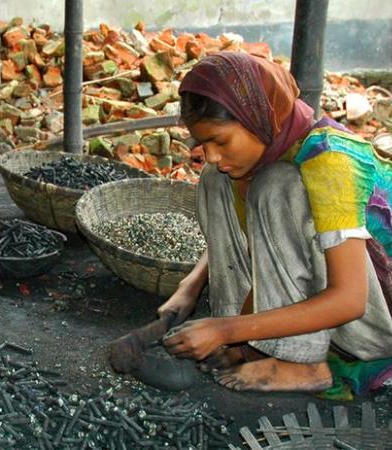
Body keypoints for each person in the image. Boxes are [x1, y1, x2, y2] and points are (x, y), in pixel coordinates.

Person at [114, 52, 392, 396]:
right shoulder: (272, 146)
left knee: (278, 186)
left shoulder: (331, 163)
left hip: (372, 321)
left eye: (220, 140)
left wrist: (227, 329)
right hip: (327, 304)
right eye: (203, 143)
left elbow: (350, 300)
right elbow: (252, 233)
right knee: (215, 178)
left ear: (258, 117)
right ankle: (246, 341)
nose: (211, 154)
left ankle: (301, 361)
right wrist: (191, 284)